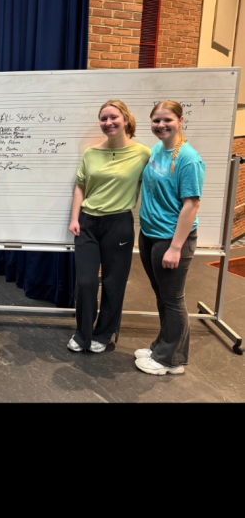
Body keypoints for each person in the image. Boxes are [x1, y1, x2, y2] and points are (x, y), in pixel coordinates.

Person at [68, 99, 151, 353]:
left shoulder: (143, 154)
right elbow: (81, 186)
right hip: (88, 223)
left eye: (113, 117)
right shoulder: (91, 153)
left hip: (119, 223)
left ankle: (104, 334)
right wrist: (74, 218)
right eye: (103, 119)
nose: (108, 122)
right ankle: (82, 333)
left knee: (114, 283)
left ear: (126, 119)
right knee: (86, 282)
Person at [135, 99, 205, 376]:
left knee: (173, 300)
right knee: (163, 296)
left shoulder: (188, 158)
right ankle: (164, 347)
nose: (161, 125)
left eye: (167, 120)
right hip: (150, 234)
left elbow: (191, 205)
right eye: (156, 120)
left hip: (171, 239)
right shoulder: (157, 149)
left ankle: (170, 359)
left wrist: (176, 248)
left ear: (180, 121)